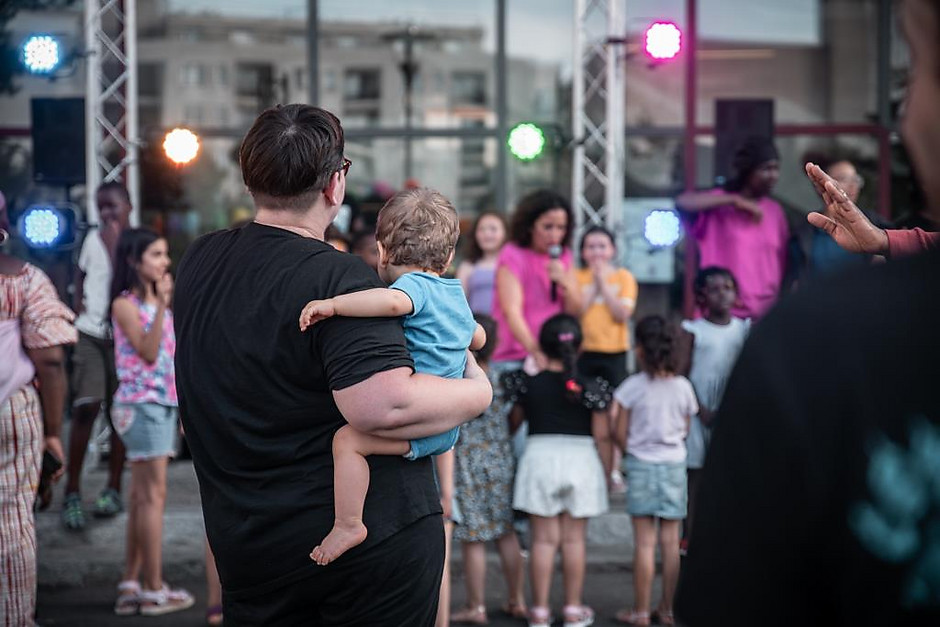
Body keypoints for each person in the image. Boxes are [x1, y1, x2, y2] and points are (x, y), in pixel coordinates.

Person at [173, 104, 492, 625]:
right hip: (356, 564)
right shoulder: (339, 279)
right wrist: (480, 394)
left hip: (248, 542)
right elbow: (383, 408)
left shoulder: (199, 260)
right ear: (334, 185)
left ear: (250, 179)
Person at [676, 2, 940, 625]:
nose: (905, 113)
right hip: (731, 327)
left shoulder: (822, 342)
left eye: (916, 74)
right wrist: (884, 243)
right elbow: (686, 203)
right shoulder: (812, 335)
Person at [298, 187, 486, 565]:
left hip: (415, 417)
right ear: (449, 256)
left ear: (381, 251)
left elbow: (392, 302)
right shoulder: (454, 293)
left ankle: (349, 523)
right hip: (444, 431)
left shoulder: (412, 286)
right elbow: (478, 337)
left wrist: (334, 306)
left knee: (348, 441)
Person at [108, 228, 194, 616]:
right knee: (152, 499)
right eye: (156, 255)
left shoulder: (156, 306)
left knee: (142, 499)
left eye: (164, 254)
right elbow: (147, 352)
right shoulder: (126, 305)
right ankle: (154, 587)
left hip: (157, 405)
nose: (164, 262)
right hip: (142, 406)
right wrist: (161, 305)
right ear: (133, 261)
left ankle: (131, 581)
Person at [0, 191, 76, 624]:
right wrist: (51, 432)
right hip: (11, 411)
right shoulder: (24, 280)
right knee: (11, 522)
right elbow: (49, 359)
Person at [508, 313, 610, 627]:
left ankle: (538, 611)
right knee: (573, 541)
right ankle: (572, 608)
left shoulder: (527, 382)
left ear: (542, 345)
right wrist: (608, 473)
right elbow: (603, 435)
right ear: (579, 348)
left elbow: (512, 424)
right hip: (582, 459)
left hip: (539, 458)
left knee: (542, 542)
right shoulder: (591, 386)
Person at [612, 316, 697, 626]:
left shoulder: (631, 388)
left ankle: (640, 613)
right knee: (671, 544)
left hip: (642, 465)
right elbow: (685, 429)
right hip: (674, 465)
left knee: (644, 544)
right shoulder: (684, 387)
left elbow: (619, 432)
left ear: (640, 351)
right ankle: (668, 610)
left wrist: (633, 447)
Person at [62, 181, 132, 530]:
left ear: (128, 207)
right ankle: (72, 490)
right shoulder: (91, 239)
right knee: (86, 405)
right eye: (100, 207)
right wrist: (76, 314)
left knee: (119, 412)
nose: (105, 214)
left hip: (123, 337)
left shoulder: (134, 240)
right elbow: (81, 275)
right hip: (90, 333)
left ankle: (113, 488)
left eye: (112, 207)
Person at [451, 314, 528, 624]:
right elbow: (517, 417)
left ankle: (476, 606)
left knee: (475, 538)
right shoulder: (502, 379)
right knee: (507, 532)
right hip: (501, 458)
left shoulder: (458, 379)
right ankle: (517, 600)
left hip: (467, 461)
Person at [676, 137, 789, 320]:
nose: (773, 175)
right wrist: (734, 201)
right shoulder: (719, 205)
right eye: (766, 169)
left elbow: (783, 263)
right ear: (748, 171)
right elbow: (682, 202)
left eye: (776, 169)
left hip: (765, 314)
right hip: (724, 313)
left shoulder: (775, 211)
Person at [678, 268, 749, 554]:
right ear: (702, 296)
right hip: (699, 412)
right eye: (715, 289)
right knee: (696, 477)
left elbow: (748, 371)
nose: (722, 293)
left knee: (730, 475)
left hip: (731, 410)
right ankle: (690, 537)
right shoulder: (693, 330)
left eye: (727, 287)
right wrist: (700, 408)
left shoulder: (744, 329)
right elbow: (683, 373)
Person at [575, 225, 638, 490]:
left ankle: (614, 470)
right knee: (591, 415)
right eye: (591, 246)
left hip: (615, 354)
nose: (597, 251)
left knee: (614, 416)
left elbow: (621, 314)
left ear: (612, 249)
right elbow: (576, 312)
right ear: (583, 251)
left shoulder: (624, 277)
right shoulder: (576, 277)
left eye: (602, 246)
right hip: (585, 353)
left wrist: (603, 282)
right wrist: (593, 283)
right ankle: (596, 470)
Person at [788, 159, 886, 286]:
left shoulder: (878, 227)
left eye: (855, 179)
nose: (852, 185)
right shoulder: (803, 233)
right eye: (843, 179)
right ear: (820, 185)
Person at [456, 211, 508, 316]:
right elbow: (458, 303)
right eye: (481, 229)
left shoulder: (513, 265)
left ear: (505, 233)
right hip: (477, 327)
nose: (487, 234)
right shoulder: (467, 266)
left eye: (493, 229)